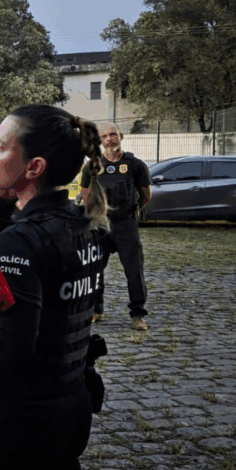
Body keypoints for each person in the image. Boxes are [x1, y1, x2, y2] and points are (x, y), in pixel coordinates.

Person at [0, 105, 110, 470]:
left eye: (0, 147)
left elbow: (12, 345)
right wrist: (6, 201)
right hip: (66, 406)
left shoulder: (23, 239)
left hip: (14, 421)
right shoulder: (85, 224)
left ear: (34, 167)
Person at [80, 122, 151, 331]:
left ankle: (138, 315)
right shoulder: (93, 165)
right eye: (104, 136)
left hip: (125, 223)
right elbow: (85, 191)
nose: (109, 139)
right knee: (94, 268)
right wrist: (95, 211)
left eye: (113, 134)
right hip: (100, 223)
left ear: (121, 136)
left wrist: (133, 210)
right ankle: (96, 310)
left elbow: (146, 193)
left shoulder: (135, 164)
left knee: (134, 270)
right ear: (100, 141)